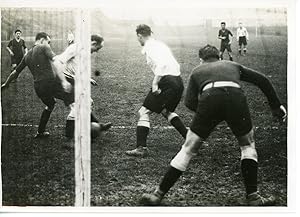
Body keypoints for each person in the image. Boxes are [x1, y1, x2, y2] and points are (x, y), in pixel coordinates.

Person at [140, 45, 287, 206]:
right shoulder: (232, 65)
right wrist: (275, 105)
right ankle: (253, 197)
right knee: (247, 145)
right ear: (219, 57)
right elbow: (262, 80)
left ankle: (158, 195)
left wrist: (208, 115)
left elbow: (189, 102)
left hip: (209, 98)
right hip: (236, 98)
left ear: (201, 60)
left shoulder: (197, 70)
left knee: (188, 149)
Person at [125, 24, 188, 157]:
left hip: (167, 81)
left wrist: (155, 83)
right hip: (177, 81)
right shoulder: (159, 45)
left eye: (138, 38)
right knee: (167, 111)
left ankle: (141, 148)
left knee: (143, 112)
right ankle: (190, 139)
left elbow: (162, 64)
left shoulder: (151, 47)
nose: (138, 41)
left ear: (139, 36)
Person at [2, 32, 72, 138]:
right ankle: (73, 131)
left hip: (38, 88)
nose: (49, 44)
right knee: (73, 98)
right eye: (49, 42)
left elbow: (15, 73)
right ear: (42, 40)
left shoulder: (27, 55)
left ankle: (40, 132)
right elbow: (56, 60)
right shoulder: (43, 46)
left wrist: (6, 84)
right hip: (50, 83)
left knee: (50, 105)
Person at [53, 32, 112, 139]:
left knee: (88, 102)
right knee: (77, 107)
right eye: (98, 48)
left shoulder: (85, 52)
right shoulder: (75, 48)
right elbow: (57, 61)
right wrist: (63, 82)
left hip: (72, 80)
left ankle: (97, 125)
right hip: (64, 81)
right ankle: (70, 139)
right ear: (93, 43)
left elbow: (76, 68)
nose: (97, 51)